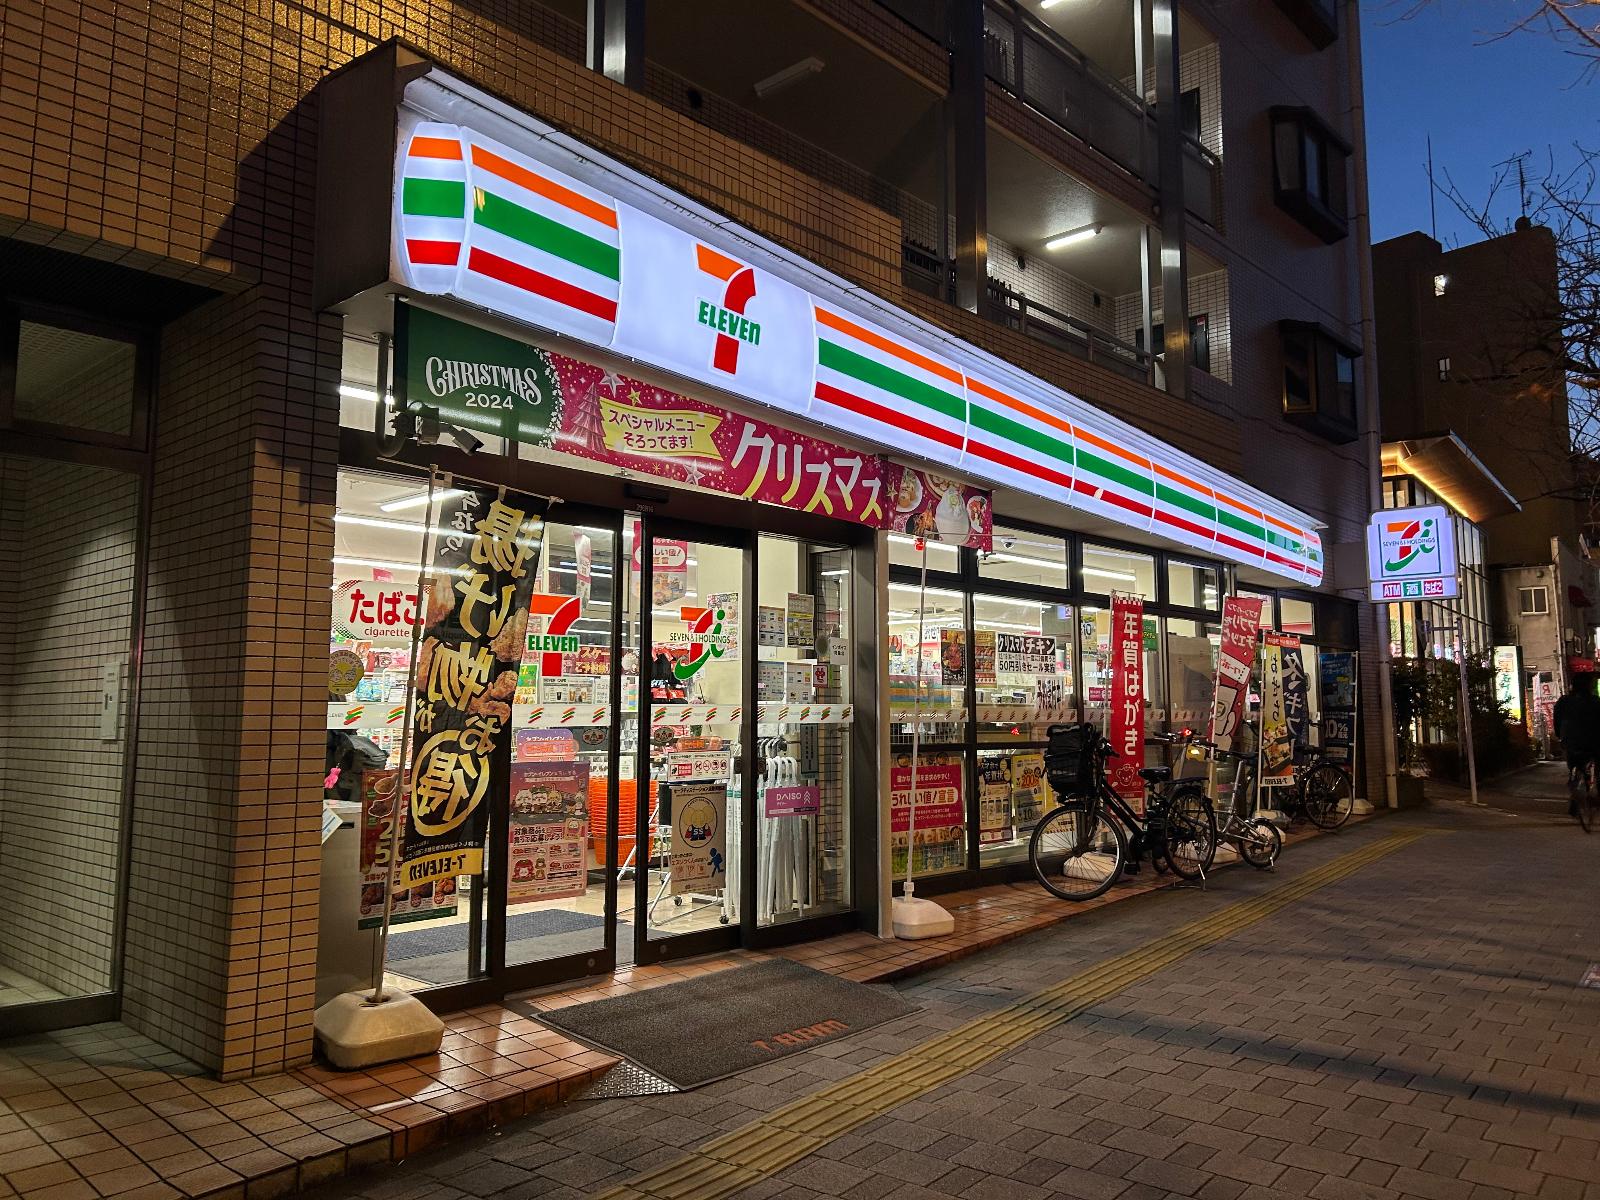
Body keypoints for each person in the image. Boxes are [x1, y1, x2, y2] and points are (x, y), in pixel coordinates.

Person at [1554, 674, 1600, 814]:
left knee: (1574, 765)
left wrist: (1559, 735)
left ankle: (1574, 791)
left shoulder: (1563, 701)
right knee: (1596, 765)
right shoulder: (1595, 701)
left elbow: (1557, 720)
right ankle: (1595, 793)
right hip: (1592, 742)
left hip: (1570, 741)